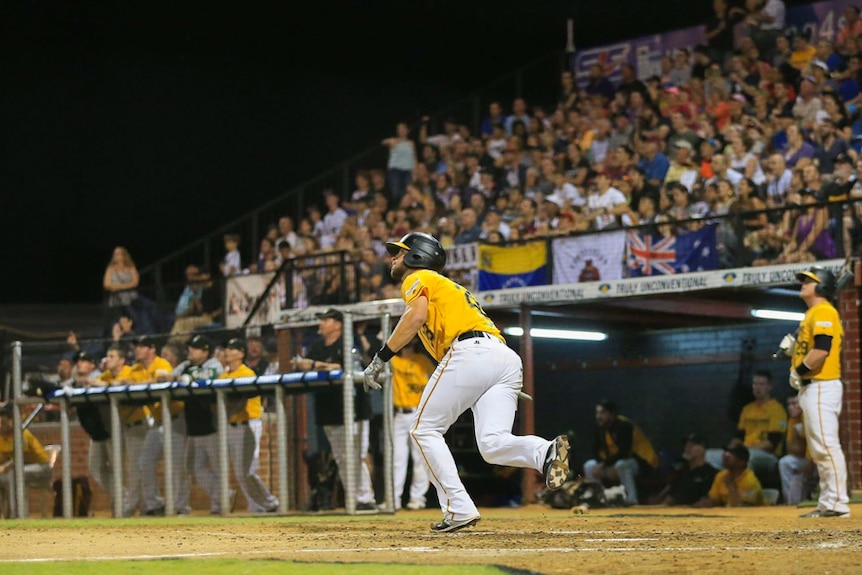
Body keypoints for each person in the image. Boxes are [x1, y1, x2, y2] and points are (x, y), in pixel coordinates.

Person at [362, 232, 570, 532]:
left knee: (423, 429)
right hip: (501, 356)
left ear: (417, 256)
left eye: (399, 252)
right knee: (492, 444)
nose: (393, 257)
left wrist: (381, 356)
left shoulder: (417, 277)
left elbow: (415, 316)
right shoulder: (447, 286)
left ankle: (458, 507)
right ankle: (545, 452)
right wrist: (497, 378)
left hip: (471, 353)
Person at [292, 309, 378, 512]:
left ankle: (366, 498)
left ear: (338, 324)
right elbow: (304, 366)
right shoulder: (317, 346)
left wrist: (315, 364)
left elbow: (350, 365)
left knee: (356, 454)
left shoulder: (349, 341)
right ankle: (354, 499)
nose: (321, 324)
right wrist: (315, 365)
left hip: (354, 409)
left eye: (326, 320)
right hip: (329, 409)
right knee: (341, 457)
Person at [789, 266, 850, 517]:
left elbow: (822, 350)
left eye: (809, 281)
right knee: (818, 449)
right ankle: (828, 503)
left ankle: (837, 504)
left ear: (822, 287)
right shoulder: (813, 313)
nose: (803, 283)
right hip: (813, 389)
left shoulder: (824, 310)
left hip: (821, 386)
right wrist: (792, 348)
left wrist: (799, 370)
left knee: (825, 446)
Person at [126, 335, 186, 516]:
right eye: (137, 346)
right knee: (145, 462)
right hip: (158, 422)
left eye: (142, 347)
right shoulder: (135, 369)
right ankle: (154, 504)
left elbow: (160, 381)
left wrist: (142, 384)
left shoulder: (162, 364)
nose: (138, 350)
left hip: (175, 419)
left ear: (152, 349)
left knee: (176, 465)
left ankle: (180, 507)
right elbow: (125, 383)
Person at [175, 335, 233, 514]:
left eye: (195, 348)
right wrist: (181, 377)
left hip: (212, 426)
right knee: (194, 468)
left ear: (205, 351)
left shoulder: (213, 364)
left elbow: (211, 375)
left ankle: (219, 505)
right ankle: (223, 496)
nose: (190, 351)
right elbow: (171, 376)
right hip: (192, 428)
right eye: (190, 348)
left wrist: (186, 378)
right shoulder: (186, 365)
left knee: (217, 468)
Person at [222, 337, 280, 513]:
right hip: (232, 425)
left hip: (250, 424)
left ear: (240, 353)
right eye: (227, 349)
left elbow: (240, 401)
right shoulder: (224, 375)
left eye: (233, 349)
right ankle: (257, 505)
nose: (228, 352)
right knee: (240, 472)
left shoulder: (247, 373)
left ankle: (270, 502)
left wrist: (228, 410)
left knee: (249, 470)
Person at [97, 345, 149, 517]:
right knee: (121, 468)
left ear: (121, 360)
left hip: (139, 424)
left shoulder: (129, 370)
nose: (108, 359)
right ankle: (131, 504)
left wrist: (111, 383)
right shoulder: (108, 375)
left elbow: (131, 382)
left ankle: (133, 506)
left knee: (136, 468)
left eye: (112, 356)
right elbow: (96, 382)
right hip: (122, 427)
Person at [582, 400, 659, 505]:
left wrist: (604, 465)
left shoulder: (624, 425)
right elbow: (596, 450)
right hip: (615, 462)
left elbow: (625, 452)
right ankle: (599, 498)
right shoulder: (601, 428)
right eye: (597, 412)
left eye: (603, 413)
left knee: (622, 465)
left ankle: (631, 500)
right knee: (589, 465)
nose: (599, 416)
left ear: (612, 414)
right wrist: (602, 465)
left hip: (643, 462)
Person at [391, 337, 434, 511]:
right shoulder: (393, 361)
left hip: (419, 413)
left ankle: (417, 499)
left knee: (420, 459)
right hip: (400, 414)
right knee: (397, 459)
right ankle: (393, 499)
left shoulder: (422, 361)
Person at [726, 370, 786, 484]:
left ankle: (745, 495)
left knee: (747, 459)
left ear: (769, 387)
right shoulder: (747, 409)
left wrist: (744, 452)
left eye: (761, 384)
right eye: (755, 384)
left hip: (767, 456)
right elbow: (739, 436)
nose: (757, 388)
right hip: (744, 451)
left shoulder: (777, 409)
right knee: (713, 457)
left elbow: (772, 443)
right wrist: (730, 451)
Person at [0, 403, 52, 518]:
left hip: (41, 467)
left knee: (12, 476)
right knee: (6, 477)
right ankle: (5, 516)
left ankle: (18, 515)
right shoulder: (2, 437)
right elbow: (3, 458)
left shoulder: (22, 434)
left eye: (3, 423)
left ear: (12, 421)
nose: (1, 426)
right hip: (20, 469)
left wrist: (4, 468)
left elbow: (20, 457)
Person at [649, 433, 718, 506]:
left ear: (702, 449)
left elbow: (708, 500)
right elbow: (671, 495)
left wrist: (688, 509)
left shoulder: (710, 473)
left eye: (691, 446)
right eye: (686, 446)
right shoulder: (682, 471)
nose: (687, 449)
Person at [694, 444, 765, 507]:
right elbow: (714, 500)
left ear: (742, 461)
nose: (726, 455)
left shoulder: (750, 481)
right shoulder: (721, 475)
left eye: (732, 453)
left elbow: (742, 508)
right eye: (726, 452)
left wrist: (731, 485)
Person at [778, 394, 817, 505]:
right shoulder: (792, 421)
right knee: (785, 462)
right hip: (804, 459)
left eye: (794, 403)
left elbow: (814, 445)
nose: (791, 407)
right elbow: (790, 448)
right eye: (789, 404)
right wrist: (797, 436)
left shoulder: (810, 417)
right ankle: (789, 503)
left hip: (817, 460)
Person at [103, 246, 140, 334]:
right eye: (115, 254)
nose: (116, 256)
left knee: (133, 320)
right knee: (116, 322)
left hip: (130, 299)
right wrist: (125, 285)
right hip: (116, 300)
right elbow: (107, 284)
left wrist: (117, 287)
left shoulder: (130, 267)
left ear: (124, 255)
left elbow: (135, 282)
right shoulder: (110, 269)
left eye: (118, 253)